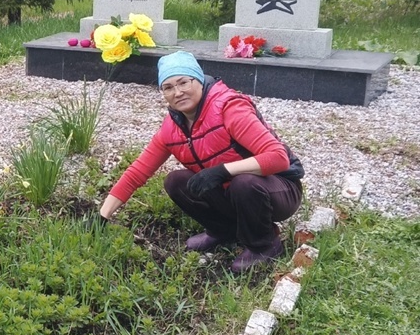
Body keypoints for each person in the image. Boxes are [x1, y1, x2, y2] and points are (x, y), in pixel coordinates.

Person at [96, 51, 304, 272]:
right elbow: (138, 172)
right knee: (176, 181)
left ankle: (264, 243)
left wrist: (223, 171)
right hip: (232, 192)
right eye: (168, 87)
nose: (178, 92)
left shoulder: (229, 108)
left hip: (277, 189)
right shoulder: (171, 129)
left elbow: (278, 157)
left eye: (183, 82)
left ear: (199, 79)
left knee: (243, 182)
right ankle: (224, 231)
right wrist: (102, 215)